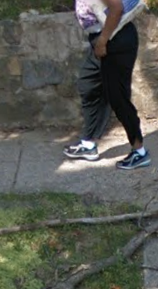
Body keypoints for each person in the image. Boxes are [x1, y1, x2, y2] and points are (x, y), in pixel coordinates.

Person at [64, 0, 150, 170]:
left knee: (118, 98)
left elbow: (116, 8)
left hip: (114, 41)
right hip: (101, 41)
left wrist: (102, 41)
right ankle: (88, 145)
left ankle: (139, 152)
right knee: (88, 85)